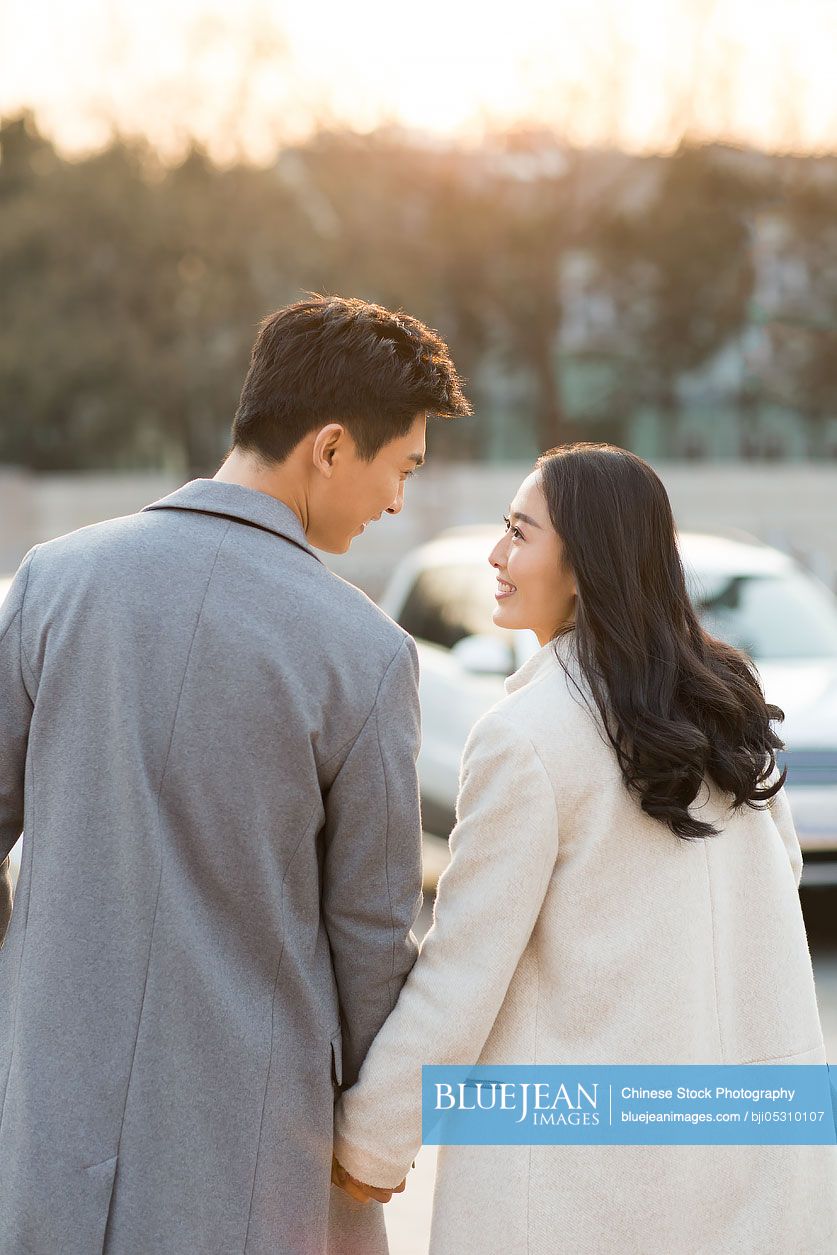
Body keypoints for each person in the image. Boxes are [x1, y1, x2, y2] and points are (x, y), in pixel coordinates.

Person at [0, 294, 471, 1254]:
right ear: (331, 447)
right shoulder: (365, 653)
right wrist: (376, 1131)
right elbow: (370, 937)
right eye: (401, 469)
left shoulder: (53, 582)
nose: (396, 503)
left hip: (46, 1125)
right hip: (260, 1163)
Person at [333, 442, 837, 1254]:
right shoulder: (726, 705)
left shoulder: (527, 736)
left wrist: (370, 1141)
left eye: (519, 533)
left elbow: (464, 968)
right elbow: (769, 898)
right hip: (744, 1161)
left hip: (576, 1184)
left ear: (583, 564)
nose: (495, 555)